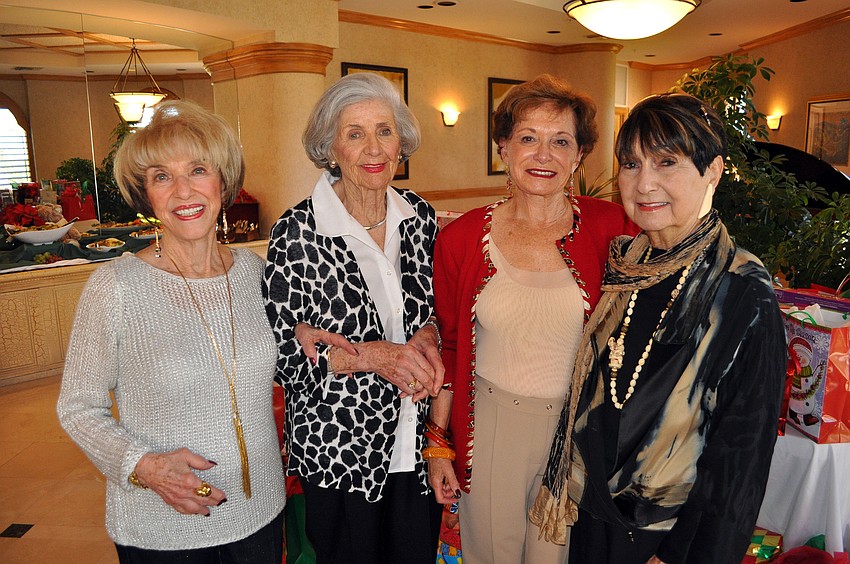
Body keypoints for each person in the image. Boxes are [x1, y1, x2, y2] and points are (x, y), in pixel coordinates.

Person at [530, 93, 787, 564]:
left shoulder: (742, 291)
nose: (644, 183)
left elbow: (740, 462)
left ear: (712, 171)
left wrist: (679, 554)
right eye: (631, 164)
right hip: (592, 513)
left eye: (667, 162)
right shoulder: (627, 263)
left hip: (668, 538)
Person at [57, 100, 286, 563]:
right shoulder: (117, 287)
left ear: (223, 181)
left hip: (261, 512)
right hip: (164, 529)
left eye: (198, 169)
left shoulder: (257, 275)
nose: (183, 191)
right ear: (146, 194)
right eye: (162, 176)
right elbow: (78, 408)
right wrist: (145, 467)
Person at [427, 74, 637, 564]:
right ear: (503, 147)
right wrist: (439, 444)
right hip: (491, 428)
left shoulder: (613, 227)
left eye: (560, 141)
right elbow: (452, 346)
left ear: (579, 154)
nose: (543, 155)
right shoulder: (460, 239)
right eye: (528, 138)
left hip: (579, 432)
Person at [262, 72, 443, 564]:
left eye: (385, 130)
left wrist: (428, 334)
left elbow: (437, 310)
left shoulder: (420, 218)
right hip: (340, 448)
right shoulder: (298, 232)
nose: (374, 148)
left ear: (401, 141)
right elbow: (284, 359)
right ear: (330, 147)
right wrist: (372, 357)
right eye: (355, 133)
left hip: (414, 439)